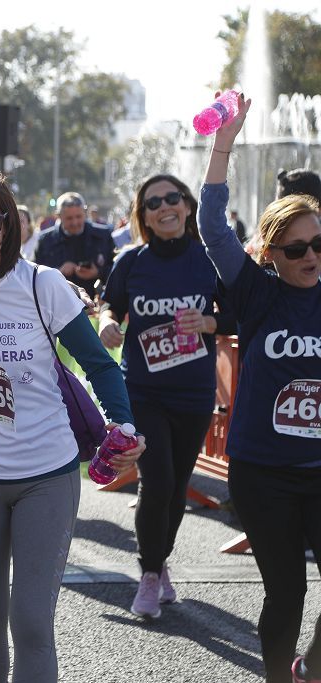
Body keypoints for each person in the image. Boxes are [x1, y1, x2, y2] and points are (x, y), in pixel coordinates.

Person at [0, 163, 144, 683]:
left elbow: (101, 365)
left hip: (46, 476)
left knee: (31, 623)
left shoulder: (43, 286)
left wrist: (122, 426)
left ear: (9, 225)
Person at [199, 93, 321, 683]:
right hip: (263, 469)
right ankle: (278, 676)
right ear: (271, 253)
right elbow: (210, 223)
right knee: (288, 592)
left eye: (319, 245)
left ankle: (313, 666)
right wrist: (225, 141)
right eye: (296, 248)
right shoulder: (254, 292)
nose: (310, 256)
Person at [99, 174, 236, 618]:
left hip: (194, 392)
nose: (164, 207)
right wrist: (107, 324)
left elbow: (238, 312)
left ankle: (159, 560)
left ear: (187, 205)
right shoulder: (130, 261)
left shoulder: (209, 259)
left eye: (172, 198)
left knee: (176, 488)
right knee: (156, 481)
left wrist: (211, 323)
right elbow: (109, 303)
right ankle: (149, 574)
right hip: (143, 390)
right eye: (153, 202)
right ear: (144, 216)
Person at [34, 191, 116, 300]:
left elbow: (117, 271)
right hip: (58, 304)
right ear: (58, 216)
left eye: (78, 216)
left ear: (85, 212)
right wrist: (58, 272)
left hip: (96, 303)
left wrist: (98, 272)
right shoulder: (45, 241)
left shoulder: (104, 236)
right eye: (69, 218)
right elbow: (35, 276)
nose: (75, 222)